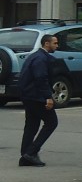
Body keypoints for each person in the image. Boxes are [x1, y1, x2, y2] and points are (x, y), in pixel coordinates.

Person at [17, 34, 59, 167]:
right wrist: (48, 97)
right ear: (46, 44)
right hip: (36, 97)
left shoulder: (35, 56)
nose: (57, 46)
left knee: (31, 125)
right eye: (55, 43)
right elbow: (41, 78)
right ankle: (31, 152)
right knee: (52, 122)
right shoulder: (41, 59)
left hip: (28, 95)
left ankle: (25, 156)